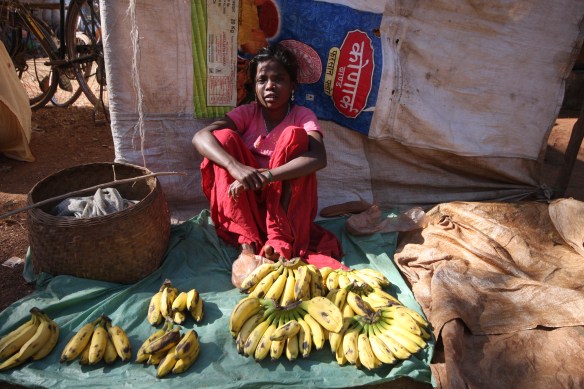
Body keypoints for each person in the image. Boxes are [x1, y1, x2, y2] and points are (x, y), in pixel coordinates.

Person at [192, 44, 343, 262]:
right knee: (222, 139)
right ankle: (247, 242)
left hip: (285, 205)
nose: (270, 86)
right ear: (254, 86)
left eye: (279, 79)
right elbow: (201, 136)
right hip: (248, 204)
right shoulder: (248, 113)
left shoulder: (302, 115)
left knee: (294, 136)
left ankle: (278, 240)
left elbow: (319, 157)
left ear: (292, 86)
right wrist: (237, 167)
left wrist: (268, 175)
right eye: (262, 80)